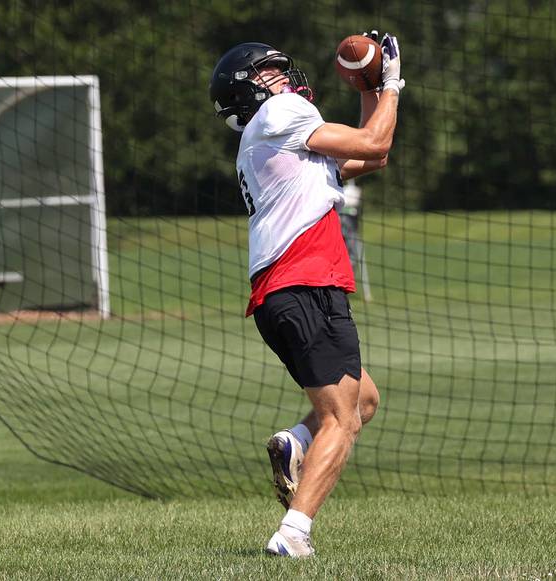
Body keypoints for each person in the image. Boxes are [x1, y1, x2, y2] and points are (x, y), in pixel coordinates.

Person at [209, 32, 403, 557]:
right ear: (249, 93)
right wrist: (390, 84)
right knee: (342, 420)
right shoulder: (280, 115)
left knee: (363, 399)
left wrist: (368, 89)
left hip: (281, 293)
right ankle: (293, 534)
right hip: (306, 282)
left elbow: (370, 156)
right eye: (269, 74)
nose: (284, 78)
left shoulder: (275, 141)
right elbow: (376, 143)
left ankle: (295, 442)